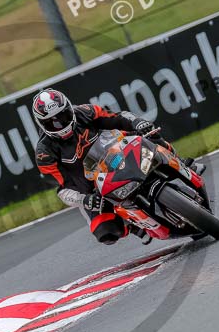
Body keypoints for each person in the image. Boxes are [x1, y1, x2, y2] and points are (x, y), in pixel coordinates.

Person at [32, 88, 201, 245]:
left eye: (63, 116)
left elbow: (119, 118)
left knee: (151, 135)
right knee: (106, 232)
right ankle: (134, 225)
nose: (60, 124)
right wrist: (85, 200)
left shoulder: (85, 112)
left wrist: (138, 123)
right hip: (95, 187)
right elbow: (63, 189)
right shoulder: (44, 154)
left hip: (120, 152)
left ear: (69, 107)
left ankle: (180, 163)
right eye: (51, 123)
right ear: (41, 124)